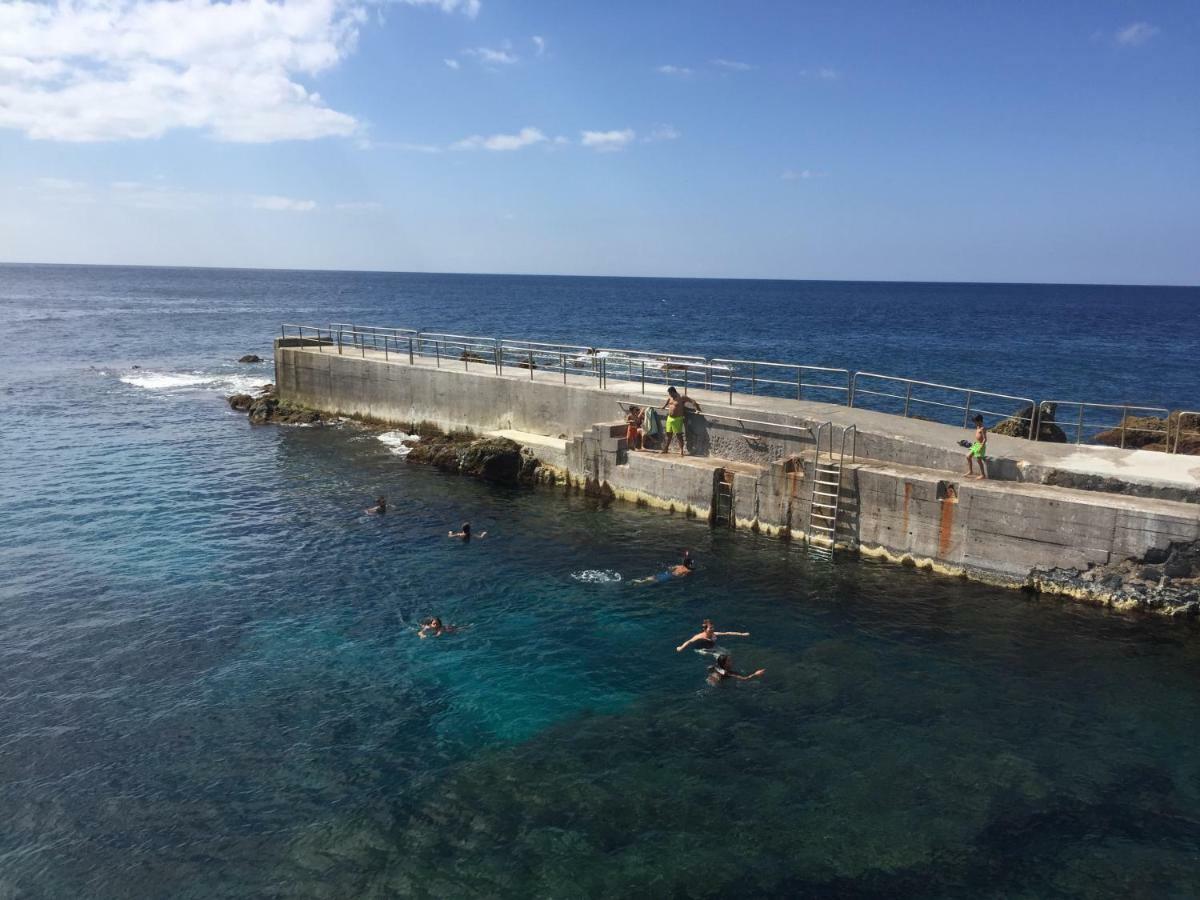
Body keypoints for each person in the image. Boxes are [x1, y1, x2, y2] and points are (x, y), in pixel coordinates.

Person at [660, 386, 702, 456]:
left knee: (678, 435)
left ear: (674, 392)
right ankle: (666, 449)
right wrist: (664, 406)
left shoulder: (681, 397)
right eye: (669, 394)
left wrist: (697, 409)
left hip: (677, 419)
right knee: (668, 434)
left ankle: (681, 451)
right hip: (669, 418)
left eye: (670, 393)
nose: (670, 395)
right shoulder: (670, 397)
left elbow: (692, 401)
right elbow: (668, 401)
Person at [676, 618, 750, 653]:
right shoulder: (699, 636)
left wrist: (742, 634)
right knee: (721, 656)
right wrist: (681, 647)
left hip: (712, 647)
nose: (712, 629)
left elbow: (727, 633)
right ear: (705, 629)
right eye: (710, 628)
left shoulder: (714, 634)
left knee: (728, 652)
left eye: (713, 627)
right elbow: (689, 641)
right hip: (702, 649)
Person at [966, 414, 988, 480]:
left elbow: (985, 439)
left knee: (978, 460)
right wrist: (975, 444)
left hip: (981, 445)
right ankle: (970, 471)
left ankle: (983, 475)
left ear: (980, 421)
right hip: (976, 444)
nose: (974, 423)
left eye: (975, 421)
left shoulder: (983, 428)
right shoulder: (978, 427)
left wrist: (981, 446)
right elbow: (978, 437)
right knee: (968, 456)